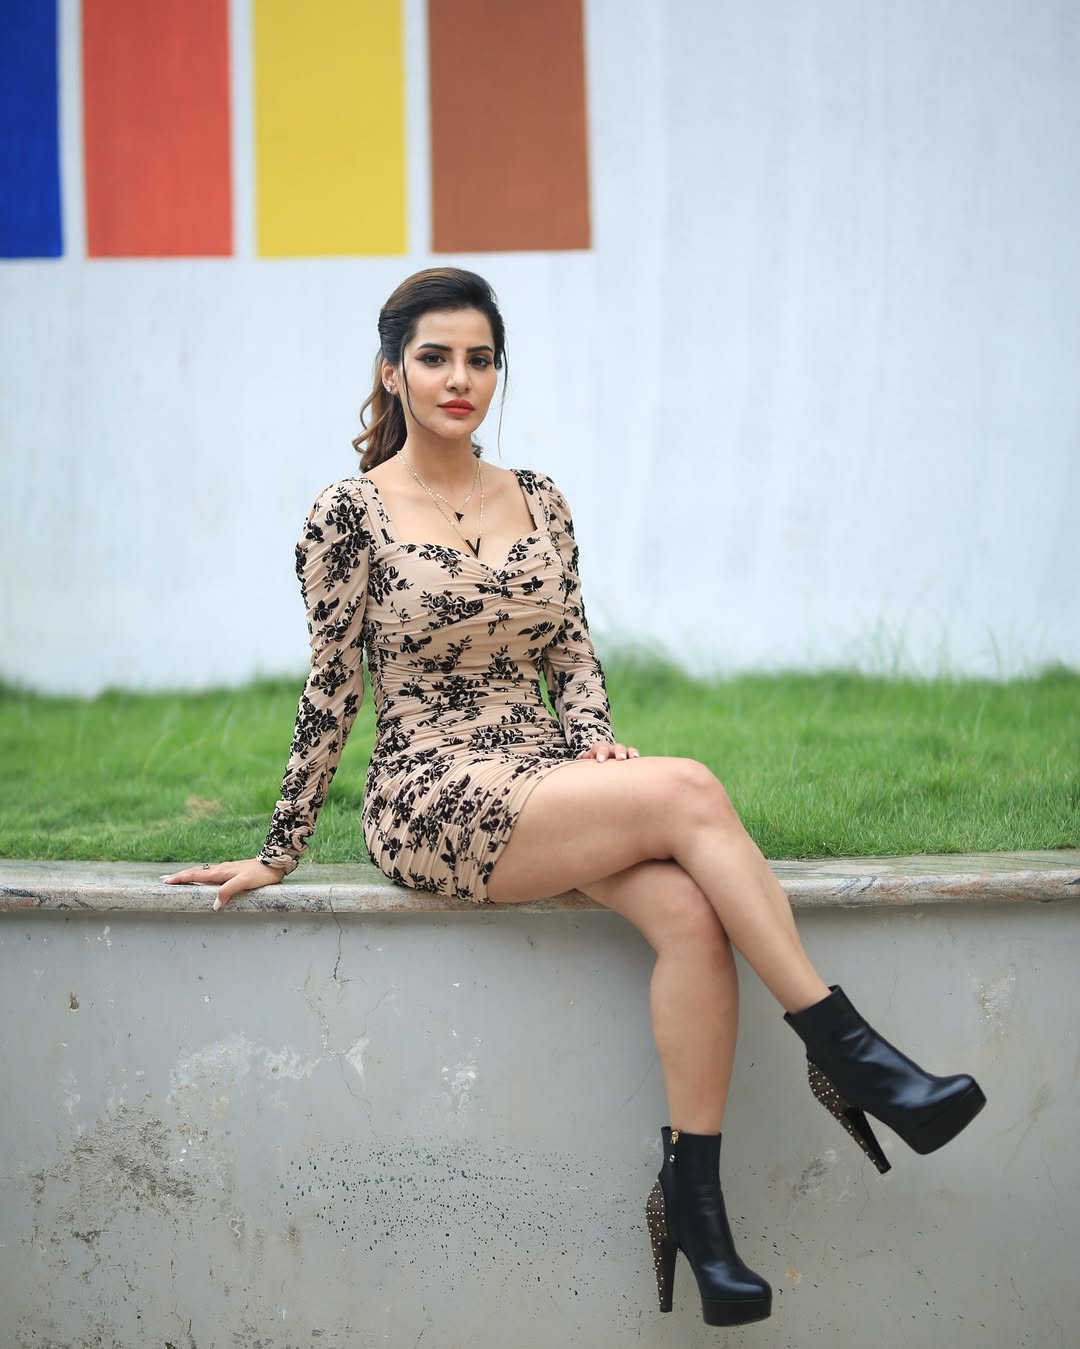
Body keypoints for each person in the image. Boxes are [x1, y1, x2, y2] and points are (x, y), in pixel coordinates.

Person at [164, 267, 985, 1327]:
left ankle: (694, 1204)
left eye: (480, 358)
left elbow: (574, 653)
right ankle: (849, 1054)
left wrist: (594, 742)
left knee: (687, 912)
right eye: (434, 357)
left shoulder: (539, 495)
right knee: (690, 788)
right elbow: (331, 686)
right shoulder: (347, 512)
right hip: (431, 789)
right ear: (392, 370)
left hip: (545, 771)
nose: (460, 378)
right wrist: (280, 847)